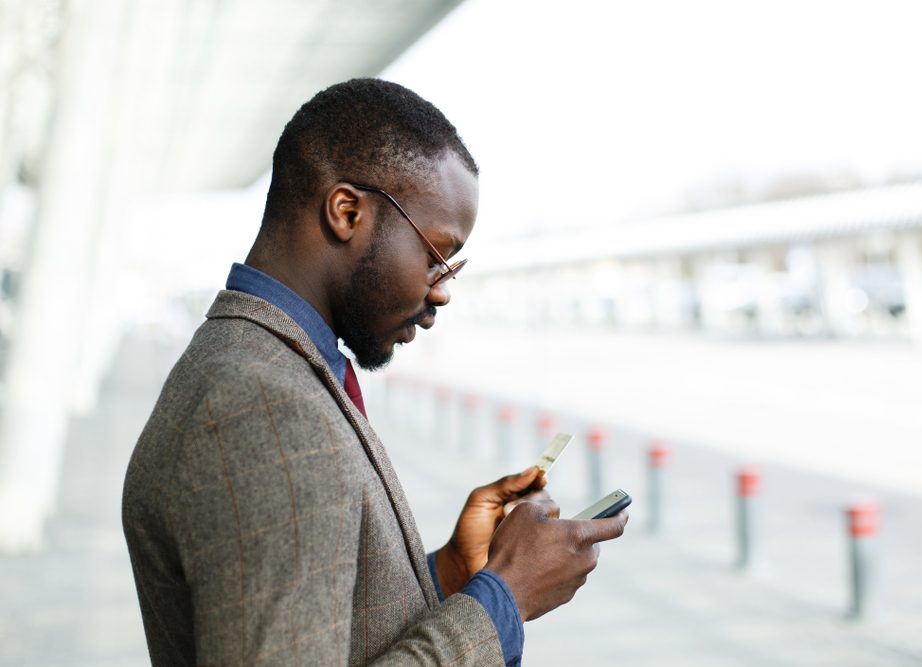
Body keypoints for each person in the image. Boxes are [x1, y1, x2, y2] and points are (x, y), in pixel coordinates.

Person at [122, 78, 628, 667]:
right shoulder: (262, 406)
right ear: (346, 212)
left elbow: (332, 625)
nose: (442, 294)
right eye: (437, 257)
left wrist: (449, 572)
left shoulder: (268, 364)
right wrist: (503, 599)